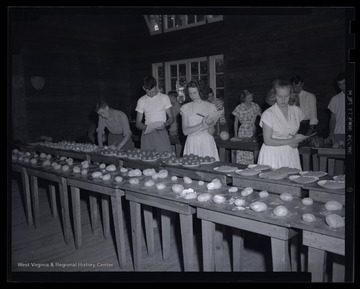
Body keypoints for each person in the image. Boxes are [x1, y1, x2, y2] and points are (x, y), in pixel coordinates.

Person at [257, 79, 308, 170]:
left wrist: (297, 141)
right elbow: (267, 141)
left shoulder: (296, 111)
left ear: (291, 95)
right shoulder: (268, 114)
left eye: (286, 96)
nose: (283, 99)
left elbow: (293, 133)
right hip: (273, 154)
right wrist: (291, 141)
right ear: (274, 96)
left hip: (290, 154)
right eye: (280, 96)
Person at [180, 80, 219, 160]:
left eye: (195, 93)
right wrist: (201, 125)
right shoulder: (185, 108)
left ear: (201, 91)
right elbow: (185, 131)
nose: (192, 96)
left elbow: (211, 132)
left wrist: (210, 125)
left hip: (207, 141)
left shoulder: (211, 107)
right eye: (190, 93)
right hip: (192, 142)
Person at [135, 76, 174, 153]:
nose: (151, 94)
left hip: (161, 131)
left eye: (152, 91)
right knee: (147, 159)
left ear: (156, 87)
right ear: (144, 88)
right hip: (146, 133)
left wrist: (165, 124)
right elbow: (138, 123)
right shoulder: (141, 100)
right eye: (148, 92)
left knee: (164, 157)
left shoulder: (164, 98)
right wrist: (146, 127)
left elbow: (171, 118)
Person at [232, 89, 262, 165]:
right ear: (244, 98)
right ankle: (241, 166)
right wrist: (235, 135)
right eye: (248, 98)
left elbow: (262, 117)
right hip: (242, 131)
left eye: (251, 97)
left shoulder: (255, 106)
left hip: (252, 130)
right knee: (242, 149)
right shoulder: (239, 107)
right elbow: (235, 122)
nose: (250, 99)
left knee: (252, 149)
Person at [327, 73, 345, 144]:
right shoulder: (335, 99)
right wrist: (331, 133)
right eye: (340, 85)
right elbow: (332, 118)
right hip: (338, 132)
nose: (342, 86)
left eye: (344, 83)